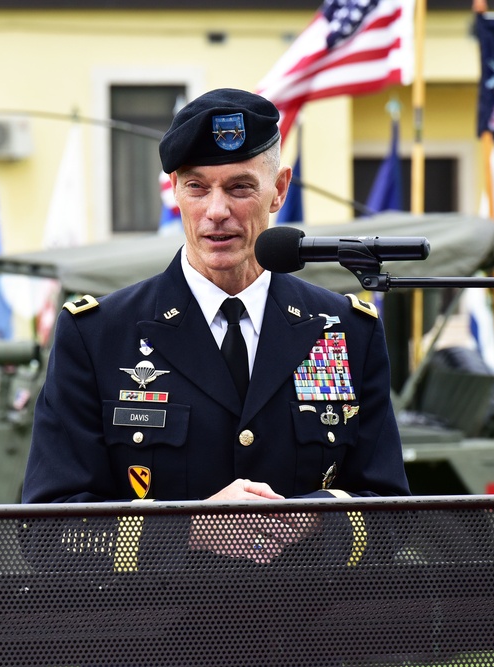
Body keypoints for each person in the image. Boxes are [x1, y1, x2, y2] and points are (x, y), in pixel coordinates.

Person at [22, 88, 409, 561]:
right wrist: (190, 530)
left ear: (279, 190)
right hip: (158, 628)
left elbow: (392, 517)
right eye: (197, 186)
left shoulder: (346, 332)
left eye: (240, 187)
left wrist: (316, 518)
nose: (217, 210)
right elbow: (47, 532)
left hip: (308, 625)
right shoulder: (99, 335)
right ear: (175, 192)